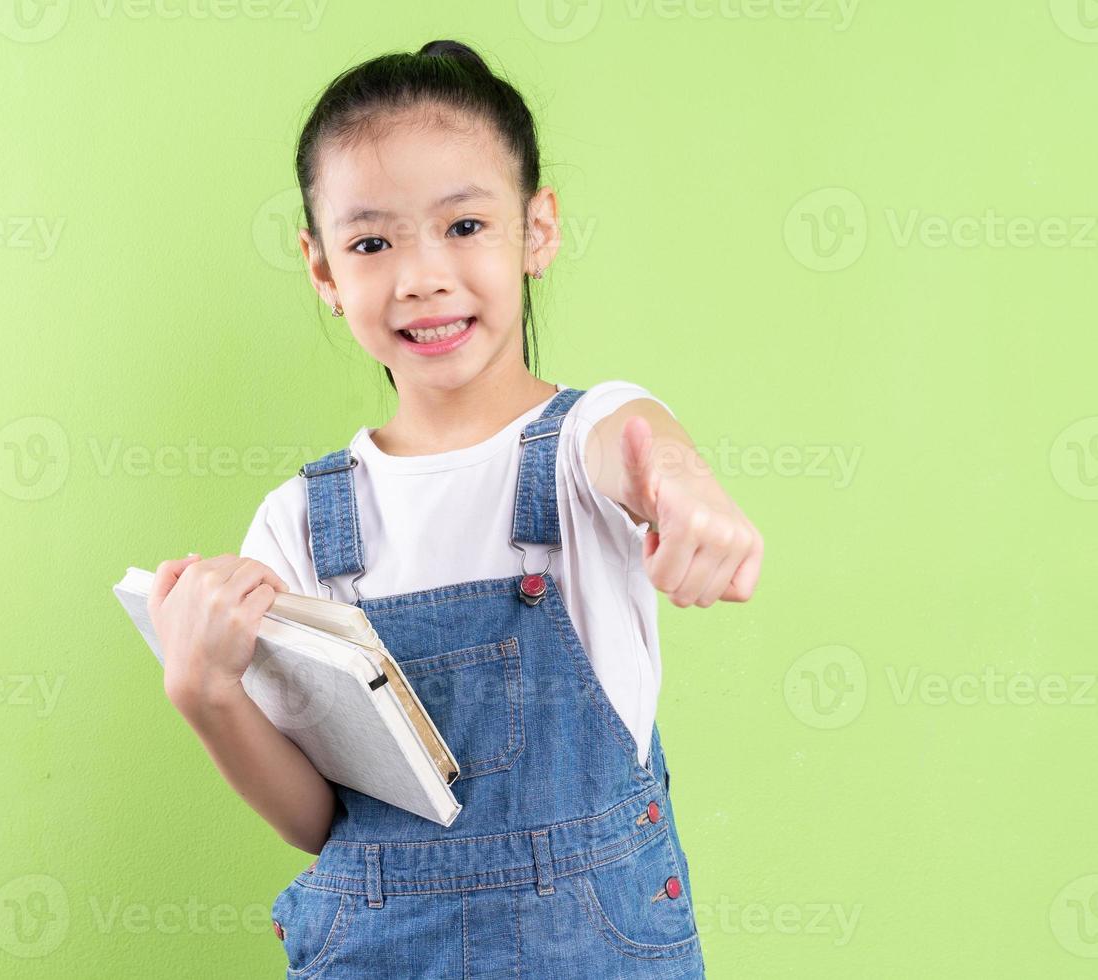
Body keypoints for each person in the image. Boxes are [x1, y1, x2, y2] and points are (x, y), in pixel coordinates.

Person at [146, 39, 763, 978]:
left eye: (464, 226)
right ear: (322, 270)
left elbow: (644, 446)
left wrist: (688, 492)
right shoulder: (299, 525)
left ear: (537, 230)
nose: (421, 275)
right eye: (371, 243)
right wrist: (205, 691)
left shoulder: (580, 445)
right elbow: (321, 824)